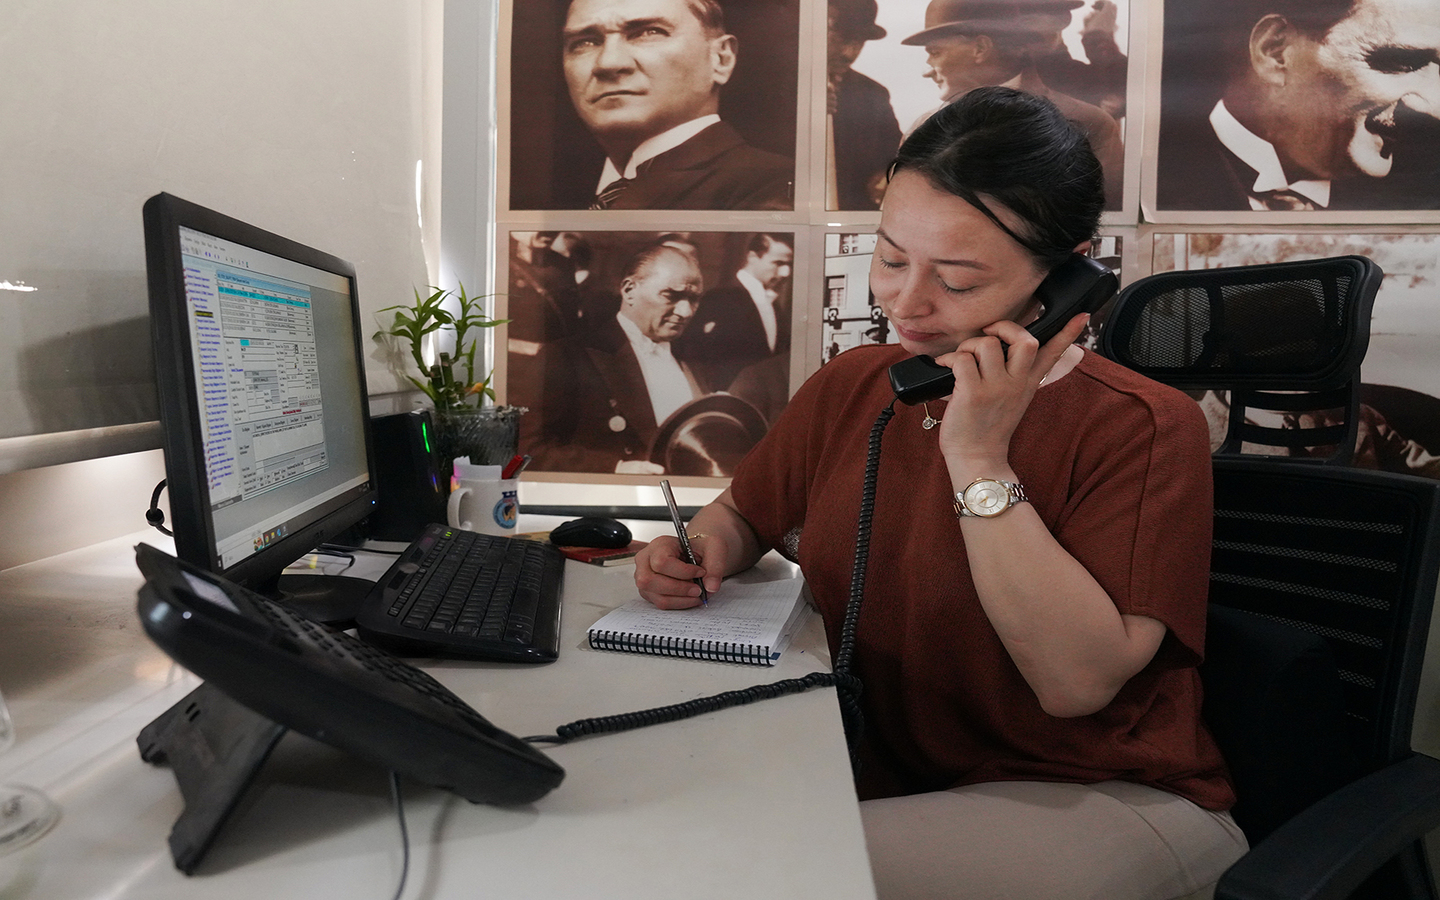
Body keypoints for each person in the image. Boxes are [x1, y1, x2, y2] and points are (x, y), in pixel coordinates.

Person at [633, 87, 1247, 899]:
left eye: (957, 280)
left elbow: (1074, 683)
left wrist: (979, 455)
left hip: (1097, 793)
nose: (905, 301)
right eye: (892, 258)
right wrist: (702, 549)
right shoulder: (856, 386)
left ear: (1068, 275)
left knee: (742, 874)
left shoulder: (1143, 426)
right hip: (893, 779)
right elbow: (745, 512)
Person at [1157, 0, 1440, 211]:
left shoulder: (1413, 202)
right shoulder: (1155, 180)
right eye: (1403, 62)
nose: (1434, 107)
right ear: (1276, 52)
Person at [562, 0, 795, 210]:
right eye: (585, 42)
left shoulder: (778, 188)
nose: (608, 63)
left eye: (649, 32)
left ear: (721, 59)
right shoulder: (561, 197)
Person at [903, 0, 1126, 209]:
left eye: (935, 52)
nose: (926, 71)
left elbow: (1106, 216)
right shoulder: (923, 129)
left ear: (980, 48)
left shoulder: (1090, 123)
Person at [520, 242, 711, 474]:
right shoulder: (567, 356)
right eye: (671, 295)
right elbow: (528, 451)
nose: (686, 311)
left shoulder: (697, 362)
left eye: (694, 299)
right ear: (629, 290)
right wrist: (615, 469)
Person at [675, 233, 794, 392]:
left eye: (789, 264)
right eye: (778, 263)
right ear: (752, 257)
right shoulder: (718, 298)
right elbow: (695, 357)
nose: (786, 272)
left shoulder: (774, 304)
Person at [828, 0, 903, 210]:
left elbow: (898, 153)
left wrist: (889, 174)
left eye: (859, 42)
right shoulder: (777, 86)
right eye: (841, 39)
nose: (849, 53)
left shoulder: (873, 94)